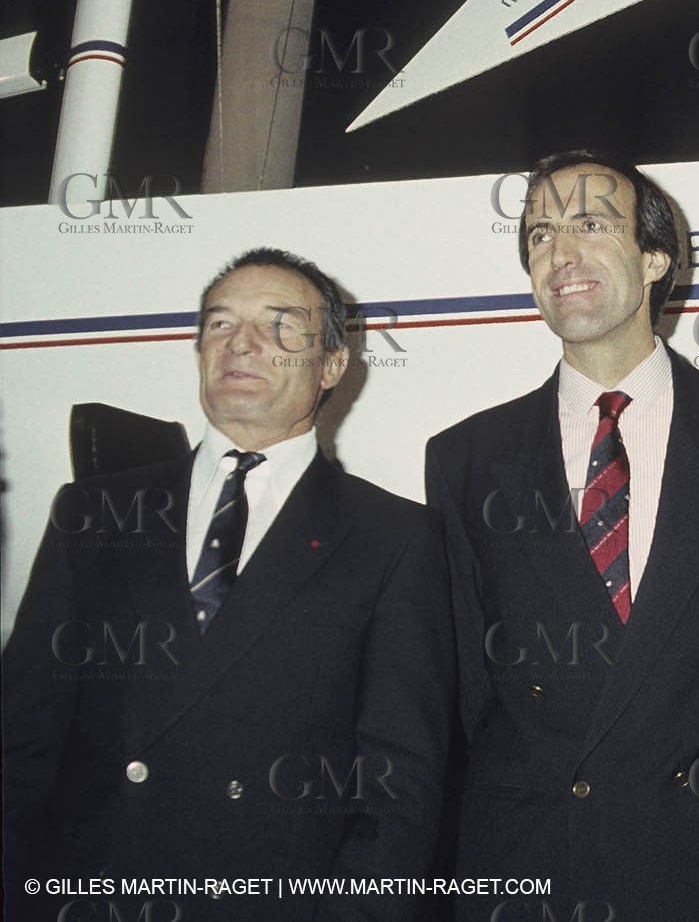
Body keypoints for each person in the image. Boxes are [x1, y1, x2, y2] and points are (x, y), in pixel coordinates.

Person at [425, 150, 699, 922]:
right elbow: (469, 695)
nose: (561, 252)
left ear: (656, 257)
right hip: (536, 873)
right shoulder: (465, 458)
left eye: (591, 223)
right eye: (541, 233)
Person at [2, 248, 454, 922]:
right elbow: (20, 741)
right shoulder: (91, 512)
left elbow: (399, 790)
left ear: (332, 364)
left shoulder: (395, 537)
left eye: (280, 325)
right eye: (219, 324)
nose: (240, 342)